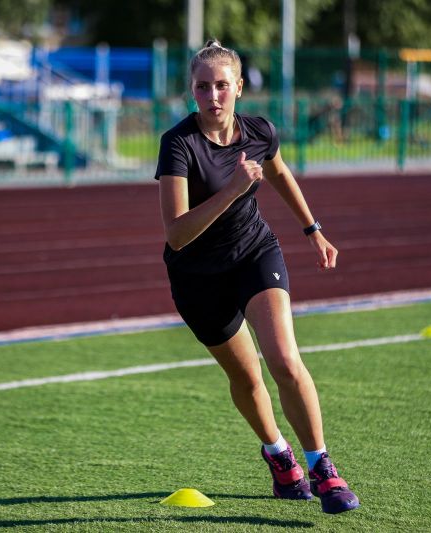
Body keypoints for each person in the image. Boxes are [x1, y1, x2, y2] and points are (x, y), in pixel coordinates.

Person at [154, 39, 359, 515]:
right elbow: (177, 234)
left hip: (253, 254)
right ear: (192, 90)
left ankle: (323, 467)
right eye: (202, 87)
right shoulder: (178, 144)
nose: (212, 96)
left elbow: (280, 173)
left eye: (222, 85)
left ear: (240, 87)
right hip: (197, 277)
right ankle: (278, 454)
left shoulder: (259, 131)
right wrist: (233, 189)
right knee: (247, 377)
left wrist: (313, 229)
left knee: (284, 360)